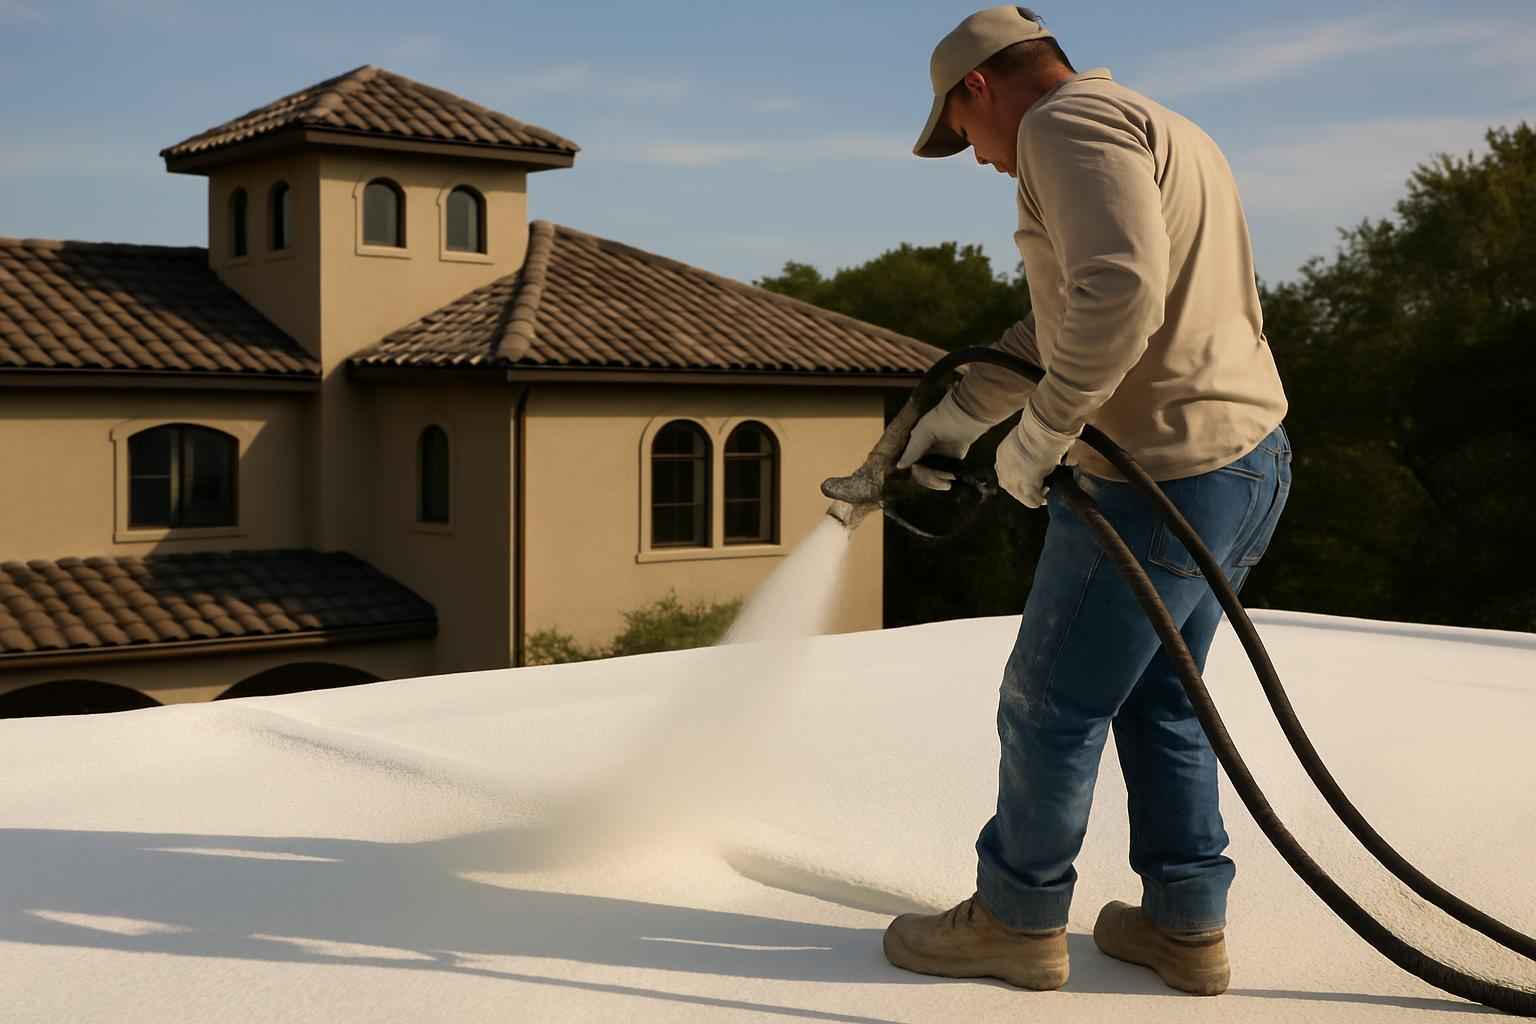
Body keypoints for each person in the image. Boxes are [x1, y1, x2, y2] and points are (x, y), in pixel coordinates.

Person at [884, 5, 1292, 997]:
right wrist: (953, 419)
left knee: (1049, 701)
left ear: (979, 86)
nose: (978, 160)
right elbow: (1060, 321)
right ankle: (1184, 926)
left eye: (963, 135)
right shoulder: (1160, 124)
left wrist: (1038, 439)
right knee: (1166, 697)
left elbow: (1117, 295)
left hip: (1156, 476)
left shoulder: (1060, 129)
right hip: (1244, 460)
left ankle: (1017, 920)